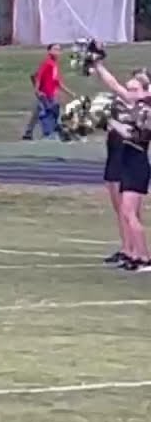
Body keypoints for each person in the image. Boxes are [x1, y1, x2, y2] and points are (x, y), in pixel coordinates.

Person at [92, 55, 151, 270]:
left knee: (130, 213)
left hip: (137, 165)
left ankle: (144, 257)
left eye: (135, 89)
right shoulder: (136, 107)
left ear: (146, 91)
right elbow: (115, 86)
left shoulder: (146, 111)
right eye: (130, 88)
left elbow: (131, 134)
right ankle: (137, 255)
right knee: (127, 212)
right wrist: (98, 66)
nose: (130, 93)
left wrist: (108, 120)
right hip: (128, 163)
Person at [22, 43, 74, 140]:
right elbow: (38, 77)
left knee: (38, 113)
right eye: (55, 49)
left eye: (59, 50)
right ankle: (62, 133)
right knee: (54, 113)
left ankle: (28, 133)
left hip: (51, 95)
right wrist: (37, 90)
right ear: (49, 51)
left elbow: (57, 82)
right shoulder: (47, 63)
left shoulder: (54, 65)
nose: (57, 52)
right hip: (45, 95)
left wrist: (69, 92)